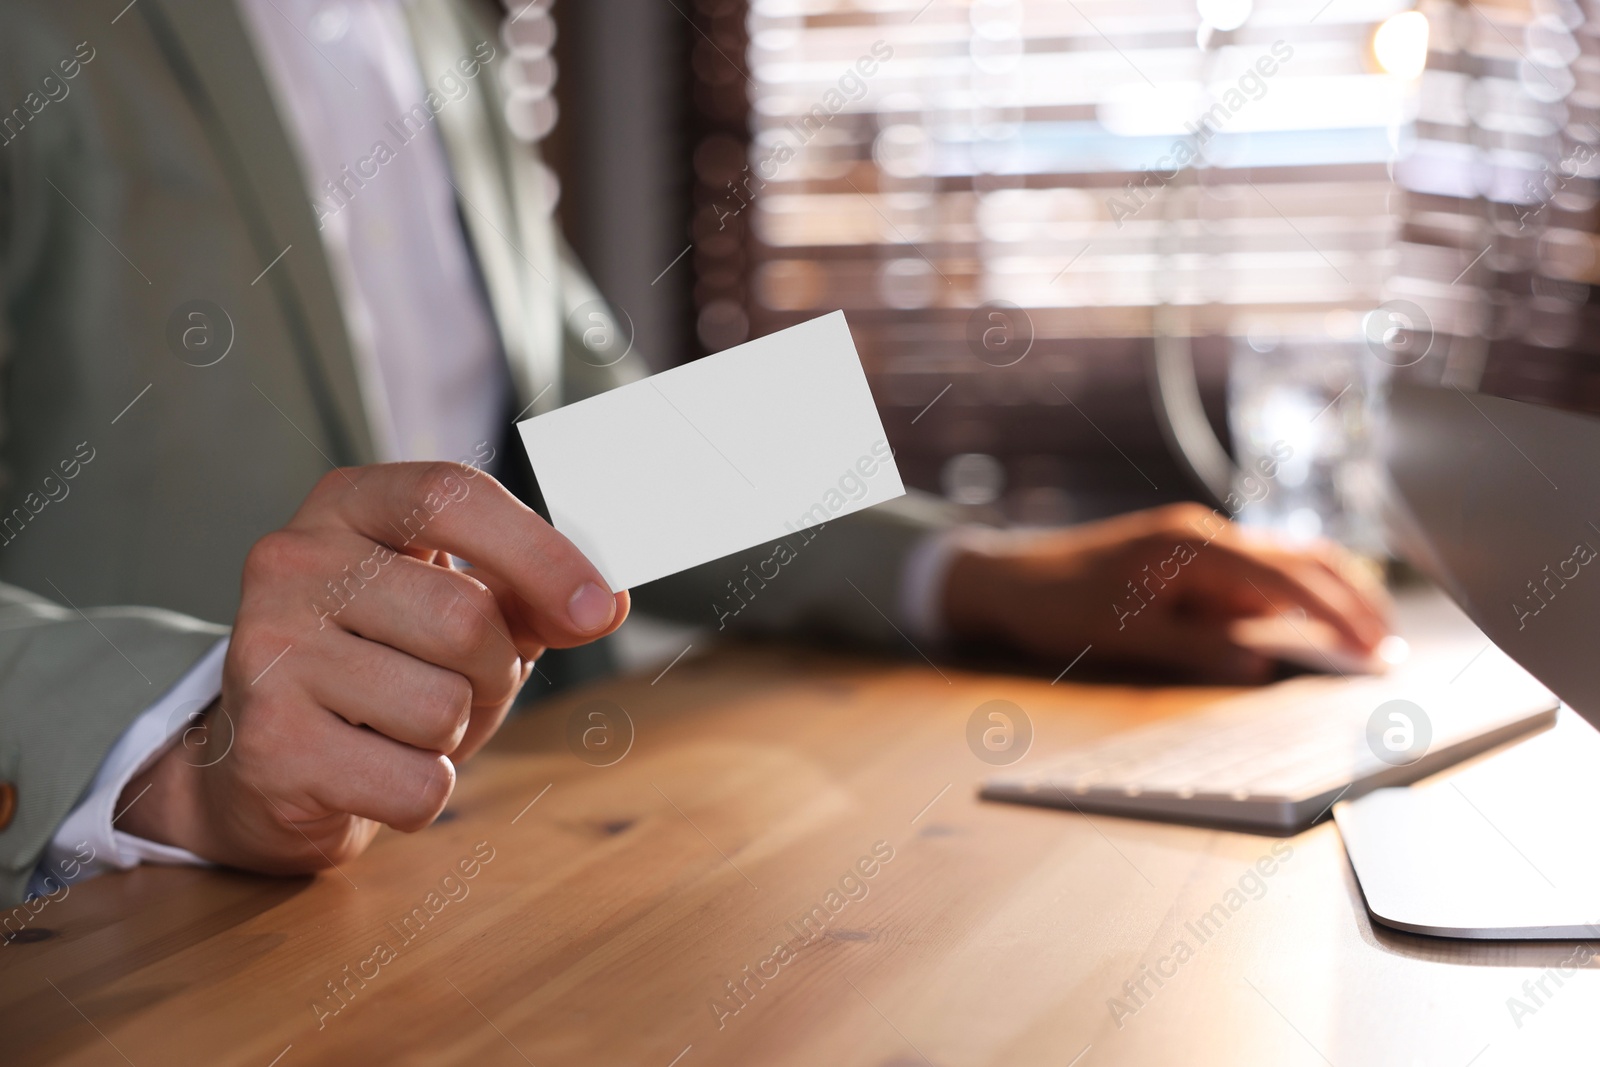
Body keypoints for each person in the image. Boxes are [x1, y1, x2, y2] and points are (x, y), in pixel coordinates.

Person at [0, 0, 1389, 907]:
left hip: (507, 875)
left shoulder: (436, 25)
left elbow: (586, 429)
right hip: (151, 935)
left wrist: (984, 575)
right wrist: (175, 749)